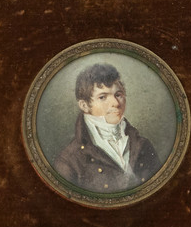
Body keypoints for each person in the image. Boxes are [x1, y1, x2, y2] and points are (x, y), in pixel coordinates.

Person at [53, 63, 160, 193]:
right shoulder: (69, 160)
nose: (115, 103)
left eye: (118, 94)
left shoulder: (143, 145)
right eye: (102, 97)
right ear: (84, 105)